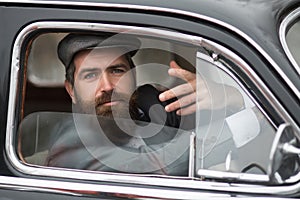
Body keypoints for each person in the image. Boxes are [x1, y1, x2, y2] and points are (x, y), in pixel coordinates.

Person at [45, 32, 245, 175]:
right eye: (91, 75)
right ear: (71, 90)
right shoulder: (68, 149)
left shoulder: (154, 112)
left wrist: (231, 96)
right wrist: (251, 120)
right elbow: (152, 165)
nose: (107, 85)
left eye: (117, 71)